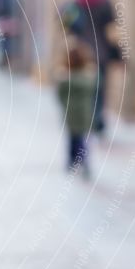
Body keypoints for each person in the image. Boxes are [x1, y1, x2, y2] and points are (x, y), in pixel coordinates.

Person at [70, 0, 115, 135]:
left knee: (84, 88)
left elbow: (68, 21)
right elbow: (111, 29)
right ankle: (97, 120)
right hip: (100, 52)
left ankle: (84, 119)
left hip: (81, 53)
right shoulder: (105, 2)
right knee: (99, 88)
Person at [56, 37, 96, 178]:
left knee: (72, 139)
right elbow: (94, 90)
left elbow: (59, 94)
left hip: (70, 114)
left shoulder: (65, 79)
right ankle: (83, 162)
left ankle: (71, 161)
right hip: (84, 115)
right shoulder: (88, 78)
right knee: (81, 139)